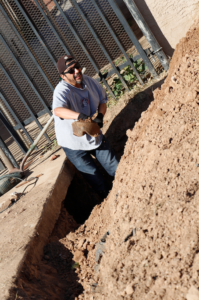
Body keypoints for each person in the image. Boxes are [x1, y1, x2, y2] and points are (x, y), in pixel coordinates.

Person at [52, 55, 118, 198]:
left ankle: (126, 190)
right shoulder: (61, 90)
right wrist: (78, 116)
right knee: (96, 179)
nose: (77, 71)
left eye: (77, 66)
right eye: (71, 70)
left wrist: (100, 116)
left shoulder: (90, 82)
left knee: (115, 168)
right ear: (63, 76)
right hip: (73, 143)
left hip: (93, 133)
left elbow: (102, 101)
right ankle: (110, 200)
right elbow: (57, 110)